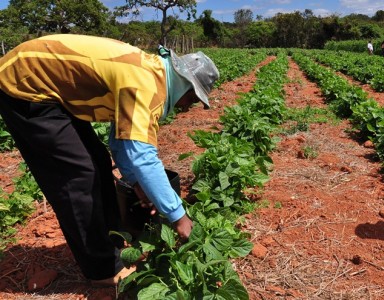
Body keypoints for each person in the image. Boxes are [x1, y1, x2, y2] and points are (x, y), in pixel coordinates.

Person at [0, 34, 219, 286]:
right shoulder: (146, 84)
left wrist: (135, 182)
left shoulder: (151, 74)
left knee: (98, 161)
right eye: (192, 99)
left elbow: (120, 139)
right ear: (185, 84)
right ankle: (103, 270)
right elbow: (143, 157)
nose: (187, 107)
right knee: (78, 175)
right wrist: (179, 216)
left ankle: (113, 240)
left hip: (49, 85)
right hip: (27, 82)